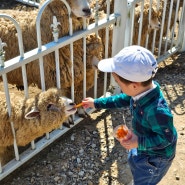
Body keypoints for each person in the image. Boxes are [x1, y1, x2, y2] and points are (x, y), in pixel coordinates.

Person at [82, 45, 177, 185]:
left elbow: (166, 139)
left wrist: (138, 141)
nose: (119, 87)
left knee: (144, 179)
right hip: (143, 145)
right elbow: (121, 99)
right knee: (136, 165)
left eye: (119, 83)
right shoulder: (141, 91)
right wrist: (96, 103)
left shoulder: (157, 111)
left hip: (156, 159)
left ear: (133, 86)